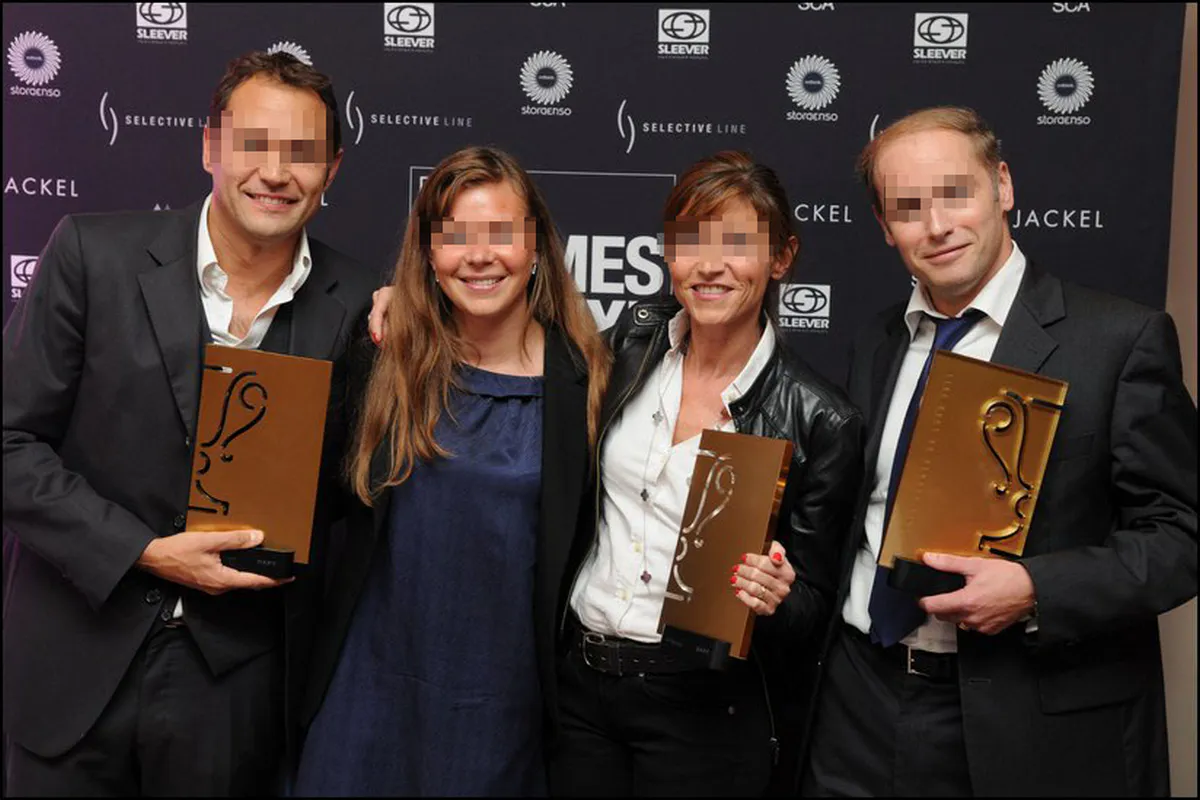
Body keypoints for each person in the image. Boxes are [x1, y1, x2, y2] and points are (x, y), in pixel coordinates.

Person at [2, 51, 376, 795]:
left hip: (235, 687)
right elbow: (11, 443)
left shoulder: (363, 304)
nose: (276, 173)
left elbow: (354, 493)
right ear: (210, 147)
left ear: (332, 170)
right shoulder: (92, 254)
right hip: (76, 662)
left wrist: (411, 326)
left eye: (302, 153)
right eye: (254, 144)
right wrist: (143, 550)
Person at [801, 106, 1198, 796]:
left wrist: (1037, 590)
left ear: (1003, 186)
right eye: (908, 208)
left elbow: (1184, 536)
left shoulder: (1118, 341)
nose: (937, 226)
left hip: (1025, 719)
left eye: (956, 193)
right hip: (860, 704)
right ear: (884, 227)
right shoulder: (878, 342)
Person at [293, 146, 610, 796]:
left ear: (538, 246)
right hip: (366, 691)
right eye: (456, 236)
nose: (479, 256)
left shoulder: (589, 382)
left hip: (497, 714)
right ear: (429, 255)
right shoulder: (380, 357)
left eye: (501, 234)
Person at [548, 151, 863, 796]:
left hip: (704, 706)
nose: (710, 266)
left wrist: (776, 594)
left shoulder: (819, 417)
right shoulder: (626, 351)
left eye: (738, 244)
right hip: (581, 690)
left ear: (781, 258)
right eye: (691, 241)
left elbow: (814, 610)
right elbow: (511, 337)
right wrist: (397, 305)